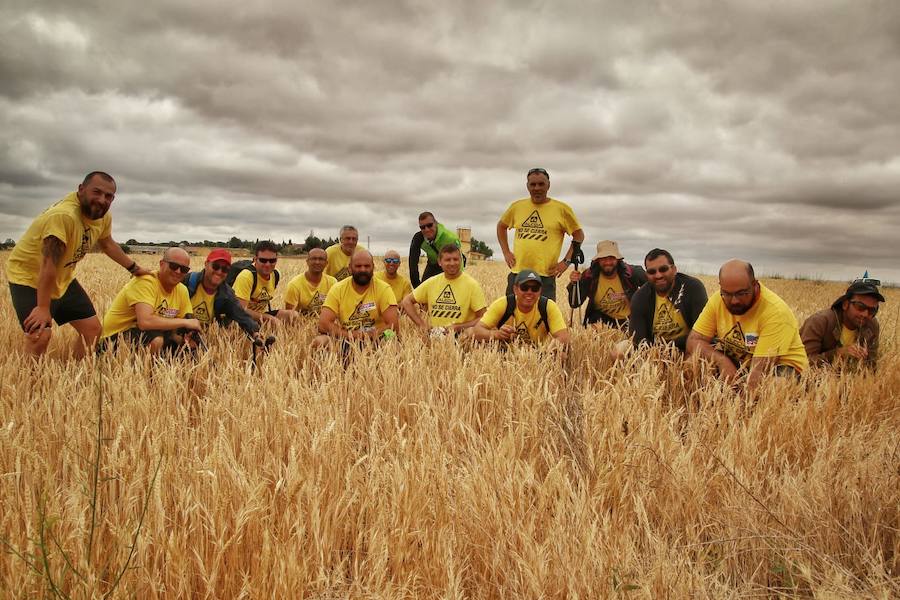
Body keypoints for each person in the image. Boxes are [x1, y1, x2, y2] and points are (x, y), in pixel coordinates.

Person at [7, 171, 150, 358]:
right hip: (29, 278)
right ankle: (30, 383)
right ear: (81, 189)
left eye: (108, 196)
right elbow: (48, 264)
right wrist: (43, 307)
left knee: (92, 330)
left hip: (63, 278)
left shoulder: (102, 217)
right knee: (39, 336)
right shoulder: (63, 216)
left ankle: (75, 375)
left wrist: (134, 268)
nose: (101, 200)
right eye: (96, 192)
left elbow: (107, 243)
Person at [686, 259, 808, 389]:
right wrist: (722, 362)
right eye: (727, 294)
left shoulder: (775, 312)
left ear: (754, 284)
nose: (734, 301)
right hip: (739, 361)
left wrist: (734, 403)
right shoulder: (718, 300)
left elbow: (757, 374)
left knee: (770, 386)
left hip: (780, 366)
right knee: (690, 364)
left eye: (741, 293)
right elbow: (693, 340)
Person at [496, 167, 585, 300]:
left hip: (545, 276)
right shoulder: (517, 207)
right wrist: (506, 252)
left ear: (548, 185)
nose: (537, 188)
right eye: (533, 184)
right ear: (527, 186)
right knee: (510, 315)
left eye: (541, 184)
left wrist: (566, 261)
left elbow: (579, 235)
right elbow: (501, 226)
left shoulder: (562, 209)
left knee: (545, 317)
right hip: (518, 273)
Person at [100, 247, 200, 354]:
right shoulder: (146, 282)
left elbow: (178, 327)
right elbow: (145, 322)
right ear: (162, 264)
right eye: (174, 266)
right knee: (156, 339)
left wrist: (185, 339)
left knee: (184, 344)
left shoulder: (182, 290)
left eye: (184, 269)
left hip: (145, 334)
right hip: (113, 338)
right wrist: (186, 322)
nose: (178, 271)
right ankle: (144, 369)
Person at [312, 250, 399, 348]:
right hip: (345, 339)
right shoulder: (338, 289)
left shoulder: (384, 289)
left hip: (376, 339)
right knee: (320, 341)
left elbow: (393, 325)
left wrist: (368, 336)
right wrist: (352, 336)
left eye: (367, 266)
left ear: (373, 267)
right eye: (358, 266)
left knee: (392, 340)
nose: (362, 269)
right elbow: (323, 324)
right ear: (350, 268)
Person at [629, 248, 708, 352]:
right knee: (619, 351)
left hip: (688, 347)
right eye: (652, 272)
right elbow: (638, 339)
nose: (658, 275)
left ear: (674, 269)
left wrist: (669, 347)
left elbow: (702, 334)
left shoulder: (693, 288)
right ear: (647, 274)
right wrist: (658, 353)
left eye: (663, 269)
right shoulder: (639, 297)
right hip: (653, 351)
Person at [401, 244, 486, 336]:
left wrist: (459, 327)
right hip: (434, 335)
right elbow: (407, 301)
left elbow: (483, 318)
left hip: (462, 336)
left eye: (456, 259)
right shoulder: (431, 282)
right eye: (448, 260)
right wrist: (422, 325)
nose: (452, 263)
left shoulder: (472, 285)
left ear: (461, 261)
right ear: (439, 262)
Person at [800, 278, 884, 369]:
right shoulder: (820, 322)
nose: (865, 314)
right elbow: (802, 362)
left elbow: (871, 366)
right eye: (860, 307)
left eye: (872, 310)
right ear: (845, 304)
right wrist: (837, 354)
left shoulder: (871, 325)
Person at [182, 248, 263, 342]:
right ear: (206, 264)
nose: (219, 272)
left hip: (202, 337)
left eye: (225, 269)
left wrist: (255, 333)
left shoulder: (227, 294)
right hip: (178, 330)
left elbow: (241, 315)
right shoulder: (188, 281)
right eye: (216, 266)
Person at [474, 269, 570, 347]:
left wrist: (545, 352)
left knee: (561, 355)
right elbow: (477, 331)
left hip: (537, 356)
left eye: (535, 288)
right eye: (524, 287)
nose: (529, 292)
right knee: (470, 337)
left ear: (540, 291)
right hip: (503, 353)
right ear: (515, 289)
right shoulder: (502, 304)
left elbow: (564, 338)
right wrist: (497, 335)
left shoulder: (548, 306)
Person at [568, 240, 647, 328]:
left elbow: (654, 288)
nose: (608, 262)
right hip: (601, 320)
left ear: (617, 259)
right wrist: (574, 284)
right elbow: (574, 303)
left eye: (611, 258)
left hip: (630, 320)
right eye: (604, 258)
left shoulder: (632, 273)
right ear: (598, 260)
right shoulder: (589, 276)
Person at [232, 240, 297, 324]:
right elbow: (240, 310)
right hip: (241, 318)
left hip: (259, 315)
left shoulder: (275, 275)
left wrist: (266, 318)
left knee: (293, 315)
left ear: (276, 260)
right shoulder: (246, 276)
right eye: (263, 260)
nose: (267, 264)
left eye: (272, 260)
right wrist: (268, 318)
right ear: (255, 259)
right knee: (274, 322)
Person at [408, 212, 463, 288]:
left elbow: (459, 261)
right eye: (422, 227)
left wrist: (459, 284)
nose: (427, 229)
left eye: (430, 225)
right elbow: (412, 264)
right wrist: (417, 288)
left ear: (436, 223)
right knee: (424, 288)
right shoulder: (418, 238)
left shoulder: (450, 238)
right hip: (433, 264)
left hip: (448, 264)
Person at [284, 247, 337, 315]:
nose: (317, 262)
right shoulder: (294, 285)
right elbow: (290, 316)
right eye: (313, 259)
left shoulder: (332, 282)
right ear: (307, 262)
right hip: (302, 324)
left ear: (326, 263)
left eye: (321, 259)